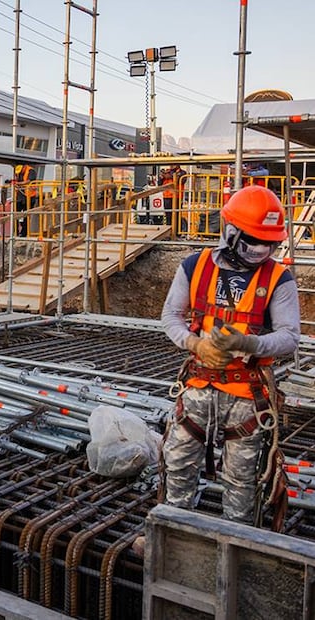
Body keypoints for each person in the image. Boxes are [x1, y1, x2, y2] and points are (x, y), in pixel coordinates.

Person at [160, 185, 300, 526]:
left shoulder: (279, 278)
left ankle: (234, 549)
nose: (261, 249)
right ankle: (173, 536)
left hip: (247, 397)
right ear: (232, 232)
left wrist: (250, 344)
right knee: (177, 468)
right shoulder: (195, 266)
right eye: (254, 240)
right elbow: (171, 317)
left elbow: (289, 338)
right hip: (197, 388)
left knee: (241, 485)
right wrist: (196, 345)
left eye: (269, 242)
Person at [12, 163, 36, 237]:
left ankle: (24, 233)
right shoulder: (18, 173)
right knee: (15, 215)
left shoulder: (31, 171)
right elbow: (17, 180)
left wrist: (18, 183)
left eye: (21, 170)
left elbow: (28, 181)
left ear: (24, 167)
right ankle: (16, 232)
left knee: (26, 216)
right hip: (20, 196)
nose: (20, 173)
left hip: (29, 197)